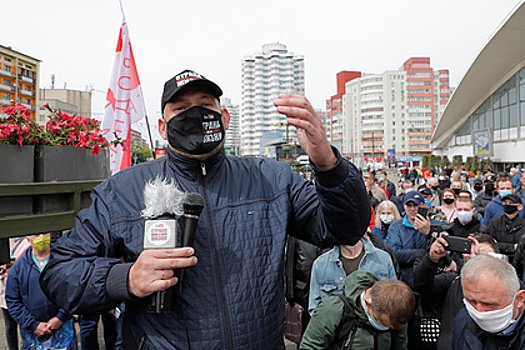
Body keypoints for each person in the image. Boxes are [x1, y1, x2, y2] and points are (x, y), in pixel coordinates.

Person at [39, 70, 371, 349]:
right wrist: (125, 278)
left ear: (224, 117)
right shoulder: (122, 191)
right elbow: (59, 275)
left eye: (205, 105)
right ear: (163, 126)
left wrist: (327, 162)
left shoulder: (271, 178)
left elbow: (345, 229)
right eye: (181, 109)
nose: (195, 115)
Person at [414, 234, 502, 350]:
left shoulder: (504, 286)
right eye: (472, 254)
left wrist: (493, 264)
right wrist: (431, 260)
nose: (476, 259)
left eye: (482, 254)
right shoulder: (452, 282)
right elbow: (422, 285)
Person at [300, 270, 414, 350]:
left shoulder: (397, 312)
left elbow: (400, 345)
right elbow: (310, 347)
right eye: (383, 323)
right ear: (369, 303)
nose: (388, 328)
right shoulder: (333, 310)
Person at [6, 234, 75, 349]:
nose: (42, 236)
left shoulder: (64, 260)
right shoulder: (19, 268)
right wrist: (33, 325)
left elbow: (74, 291)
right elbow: (13, 301)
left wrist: (61, 317)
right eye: (36, 234)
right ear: (27, 237)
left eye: (45, 233)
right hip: (33, 333)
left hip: (63, 327)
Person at [308, 235, 397, 314]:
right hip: (336, 330)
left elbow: (394, 301)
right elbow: (315, 309)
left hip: (375, 329)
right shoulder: (321, 264)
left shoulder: (383, 259)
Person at [451, 255, 525, 350]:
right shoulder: (463, 321)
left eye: (489, 304)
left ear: (519, 299)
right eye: (471, 301)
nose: (479, 311)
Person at [385, 191, 441, 288]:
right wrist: (420, 253)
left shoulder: (436, 226)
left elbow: (440, 253)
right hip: (405, 281)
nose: (412, 209)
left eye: (416, 205)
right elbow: (394, 253)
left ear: (423, 206)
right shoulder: (396, 227)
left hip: (431, 281)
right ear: (404, 206)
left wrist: (429, 233)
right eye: (409, 205)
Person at [0, 237, 31, 350]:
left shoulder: (29, 240)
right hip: (5, 287)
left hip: (23, 289)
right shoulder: (4, 240)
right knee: (9, 326)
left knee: (25, 324)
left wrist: (15, 263)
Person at [484, 194, 525, 261]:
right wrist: (513, 247)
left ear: (520, 207)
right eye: (505, 203)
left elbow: (522, 248)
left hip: (519, 262)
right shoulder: (494, 222)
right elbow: (490, 244)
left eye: (511, 203)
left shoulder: (523, 224)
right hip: (497, 261)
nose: (507, 205)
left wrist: (500, 245)